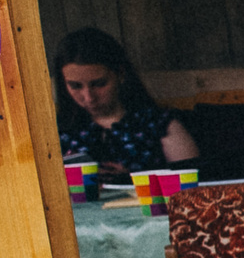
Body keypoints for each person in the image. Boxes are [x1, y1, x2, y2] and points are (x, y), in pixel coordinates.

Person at [53, 28, 197, 177]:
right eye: (75, 86)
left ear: (120, 74)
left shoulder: (159, 124)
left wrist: (132, 179)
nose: (88, 97)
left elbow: (192, 180)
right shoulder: (56, 131)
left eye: (99, 84)